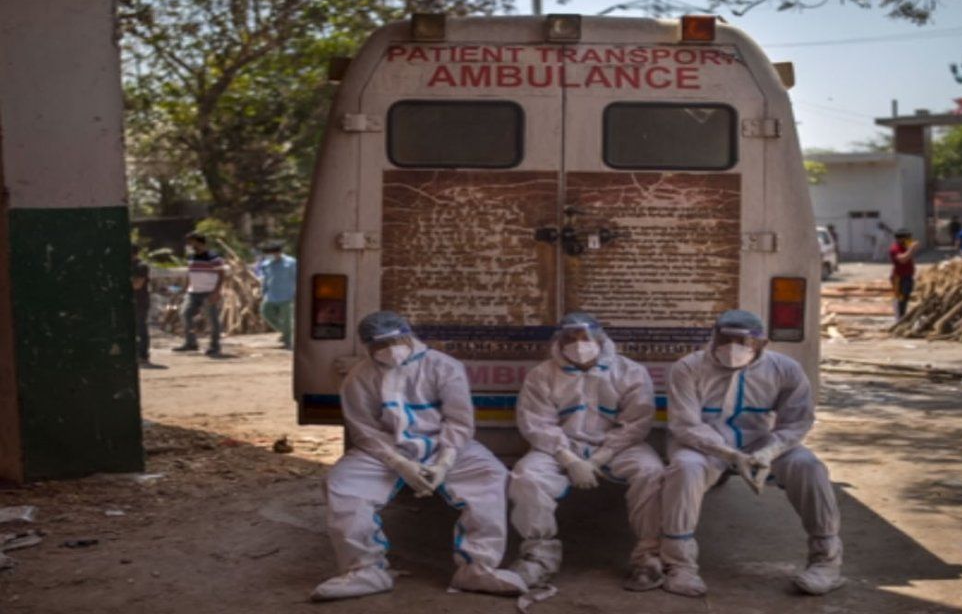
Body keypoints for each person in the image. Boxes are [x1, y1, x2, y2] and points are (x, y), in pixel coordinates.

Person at [312, 311, 527, 601]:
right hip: (386, 451)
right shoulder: (359, 377)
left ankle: (478, 567)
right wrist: (399, 463)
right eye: (380, 345)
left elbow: (459, 422)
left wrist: (444, 462)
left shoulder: (444, 366)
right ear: (368, 347)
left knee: (489, 475)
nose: (389, 349)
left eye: (395, 340)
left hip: (445, 446)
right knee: (343, 483)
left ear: (409, 335)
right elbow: (365, 431)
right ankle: (365, 570)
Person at [660, 310, 842, 598]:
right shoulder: (688, 367)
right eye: (725, 339)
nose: (732, 347)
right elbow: (685, 424)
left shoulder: (786, 369)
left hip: (761, 441)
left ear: (762, 343)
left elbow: (796, 421)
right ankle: (679, 565)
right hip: (706, 444)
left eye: (742, 341)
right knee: (685, 468)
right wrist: (730, 455)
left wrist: (770, 451)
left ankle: (826, 562)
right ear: (713, 336)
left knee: (809, 466)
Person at [507, 312, 664, 591]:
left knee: (651, 472)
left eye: (586, 338)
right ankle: (539, 556)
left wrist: (600, 457)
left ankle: (648, 556)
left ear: (601, 340)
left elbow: (636, 422)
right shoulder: (542, 374)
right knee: (526, 476)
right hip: (561, 447)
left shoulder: (630, 371)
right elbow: (536, 424)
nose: (579, 345)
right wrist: (568, 458)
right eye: (571, 339)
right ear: (559, 341)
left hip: (618, 445)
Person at [173, 232, 225, 355]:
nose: (189, 245)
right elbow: (190, 273)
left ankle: (214, 346)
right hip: (193, 292)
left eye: (191, 242)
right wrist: (186, 288)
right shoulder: (191, 257)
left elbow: (222, 274)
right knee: (185, 314)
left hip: (209, 292)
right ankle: (191, 343)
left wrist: (216, 292)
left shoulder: (213, 257)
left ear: (199, 242)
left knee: (212, 319)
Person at [257, 241, 297, 349]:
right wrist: (263, 292)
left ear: (278, 252)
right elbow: (265, 280)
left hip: (287, 296)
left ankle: (288, 340)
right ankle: (286, 332)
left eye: (271, 253)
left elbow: (298, 278)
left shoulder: (291, 263)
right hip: (270, 295)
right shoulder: (266, 264)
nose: (269, 256)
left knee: (287, 319)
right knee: (266, 313)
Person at [889, 228, 919, 320]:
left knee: (906, 297)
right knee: (900, 298)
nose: (909, 239)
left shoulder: (905, 247)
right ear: (901, 239)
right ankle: (899, 318)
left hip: (907, 276)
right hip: (899, 277)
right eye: (907, 238)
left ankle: (903, 316)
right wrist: (911, 249)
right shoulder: (895, 248)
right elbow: (902, 259)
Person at [131, 244, 152, 364]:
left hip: (140, 300)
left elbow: (137, 285)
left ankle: (143, 354)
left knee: (141, 327)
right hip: (134, 300)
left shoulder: (141, 266)